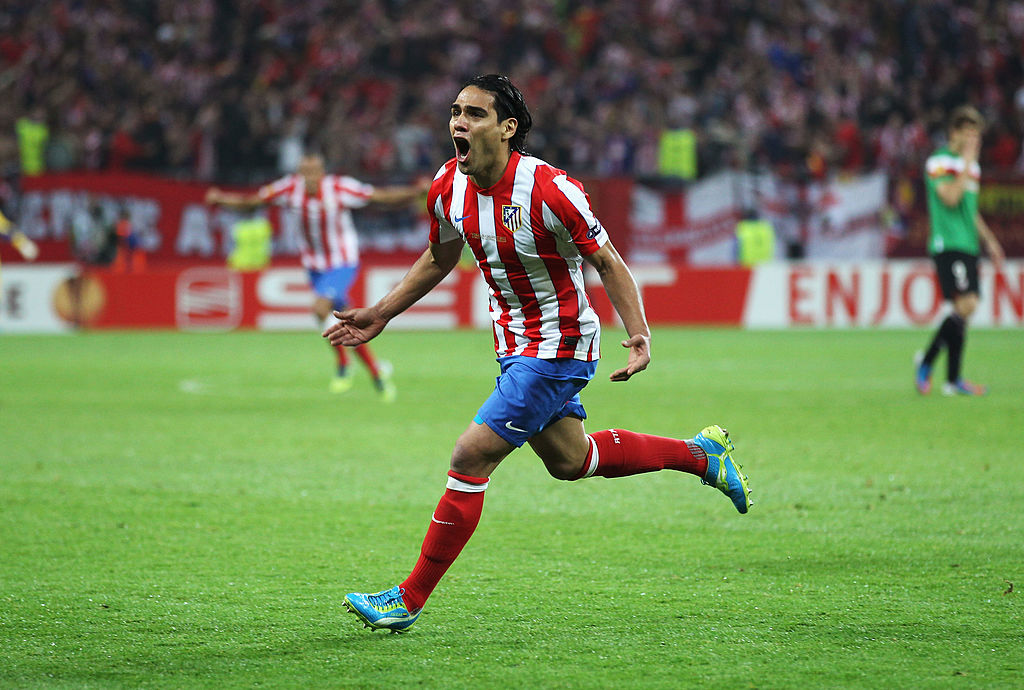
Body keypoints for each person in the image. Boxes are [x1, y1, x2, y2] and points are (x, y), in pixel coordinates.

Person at [324, 74, 753, 633]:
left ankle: (407, 598)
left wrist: (639, 331)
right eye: (456, 111)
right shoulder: (446, 186)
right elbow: (439, 257)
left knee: (470, 456)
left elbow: (607, 262)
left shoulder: (551, 190)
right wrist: (382, 312)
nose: (459, 122)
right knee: (571, 461)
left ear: (507, 129)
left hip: (560, 345)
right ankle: (702, 455)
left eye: (475, 114)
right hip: (512, 346)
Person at [206, 153, 427, 399]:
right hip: (314, 267)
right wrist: (221, 199)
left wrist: (414, 193)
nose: (309, 177)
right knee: (349, 323)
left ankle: (343, 364)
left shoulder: (339, 187)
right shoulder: (288, 189)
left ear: (322, 172)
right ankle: (377, 374)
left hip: (342, 262)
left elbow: (381, 197)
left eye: (314, 172)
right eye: (305, 172)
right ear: (299, 173)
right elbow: (253, 202)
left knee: (320, 308)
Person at [915, 106, 1005, 396]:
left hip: (968, 243)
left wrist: (990, 240)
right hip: (947, 242)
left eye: (977, 137)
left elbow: (970, 210)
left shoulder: (972, 168)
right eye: (968, 135)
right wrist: (966, 162)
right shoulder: (939, 162)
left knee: (964, 309)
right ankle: (927, 362)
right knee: (966, 305)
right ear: (953, 134)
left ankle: (953, 381)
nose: (974, 143)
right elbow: (951, 198)